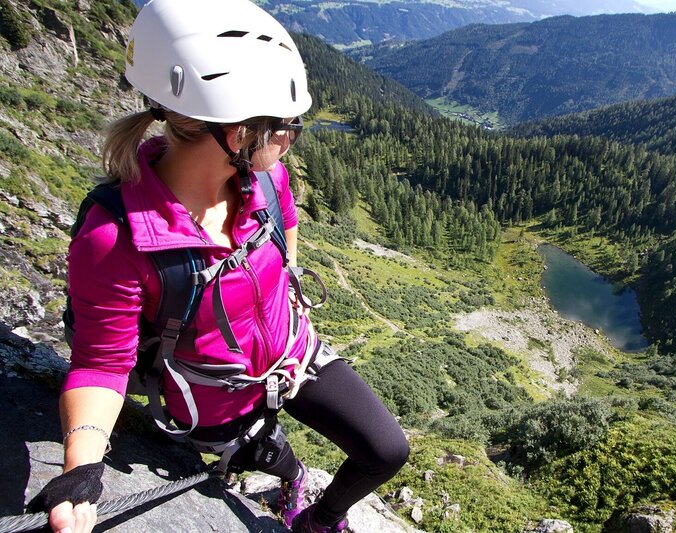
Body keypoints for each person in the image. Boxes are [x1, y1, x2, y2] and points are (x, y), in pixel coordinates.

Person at [28, 1, 409, 532]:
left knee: (387, 449)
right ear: (235, 133)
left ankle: (318, 521)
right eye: (286, 127)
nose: (291, 137)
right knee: (275, 459)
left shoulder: (264, 180)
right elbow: (101, 365)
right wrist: (82, 469)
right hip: (218, 398)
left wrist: (287, 285)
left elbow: (286, 223)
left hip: (291, 356)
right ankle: (288, 481)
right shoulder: (114, 236)